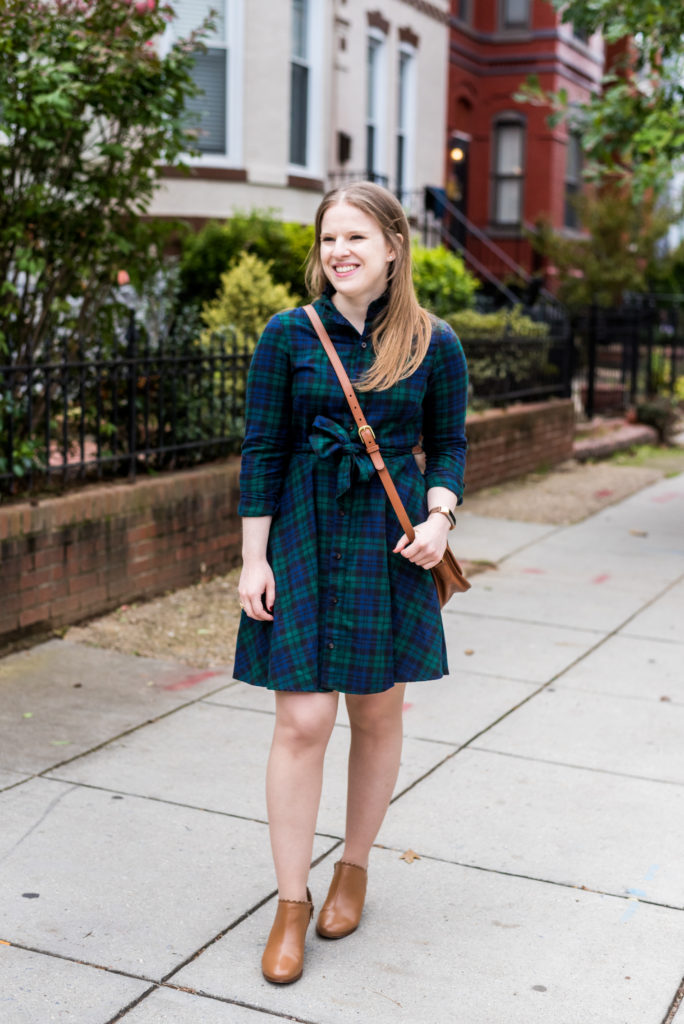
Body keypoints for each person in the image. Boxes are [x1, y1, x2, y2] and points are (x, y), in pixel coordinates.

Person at [234, 181, 468, 984]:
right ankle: (291, 902)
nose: (339, 252)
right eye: (329, 239)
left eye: (356, 239)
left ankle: (354, 868)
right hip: (302, 532)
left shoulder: (434, 343)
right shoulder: (287, 335)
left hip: (388, 542)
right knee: (301, 721)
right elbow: (261, 450)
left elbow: (450, 445)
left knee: (377, 713)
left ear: (393, 248)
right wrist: (252, 557)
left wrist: (440, 519)